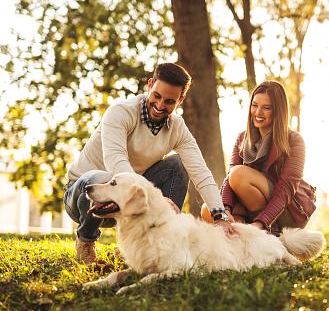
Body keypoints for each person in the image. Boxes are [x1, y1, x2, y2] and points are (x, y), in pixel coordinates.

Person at [64, 63, 236, 266]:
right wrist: (157, 198)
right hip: (84, 193)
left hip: (127, 201)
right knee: (101, 177)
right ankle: (85, 243)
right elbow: (116, 161)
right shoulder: (121, 112)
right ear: (150, 85)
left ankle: (156, 241)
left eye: (170, 101)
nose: (160, 105)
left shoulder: (177, 128)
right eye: (157, 96)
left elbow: (200, 171)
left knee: (178, 165)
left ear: (181, 100)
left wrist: (219, 215)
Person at [202, 80, 306, 235]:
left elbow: (285, 191)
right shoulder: (242, 138)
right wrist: (226, 211)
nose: (258, 113)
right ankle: (243, 237)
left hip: (285, 212)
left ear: (278, 111)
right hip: (251, 206)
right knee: (208, 210)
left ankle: (267, 231)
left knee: (238, 174)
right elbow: (228, 182)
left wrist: (259, 224)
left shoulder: (294, 140)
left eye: (266, 108)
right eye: (255, 105)